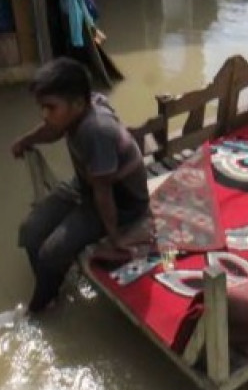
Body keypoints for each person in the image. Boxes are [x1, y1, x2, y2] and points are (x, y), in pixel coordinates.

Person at [11, 58, 150, 312]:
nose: (45, 114)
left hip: (120, 200)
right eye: (42, 107)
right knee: (30, 231)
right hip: (88, 184)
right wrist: (25, 140)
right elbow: (51, 131)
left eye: (50, 108)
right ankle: (49, 285)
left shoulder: (95, 130)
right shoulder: (83, 105)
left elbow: (104, 193)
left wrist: (115, 237)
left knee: (51, 252)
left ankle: (42, 304)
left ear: (77, 104)